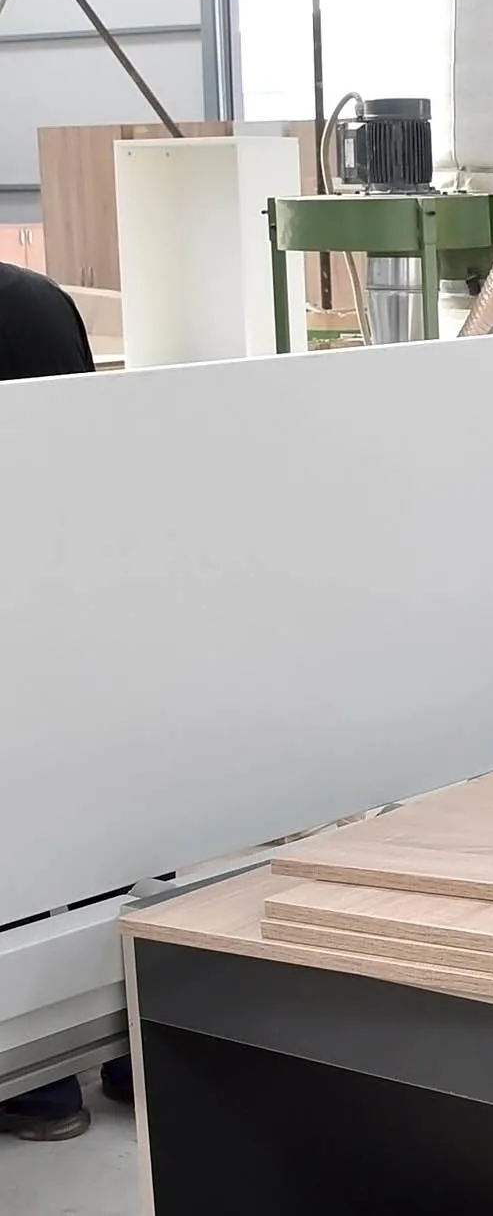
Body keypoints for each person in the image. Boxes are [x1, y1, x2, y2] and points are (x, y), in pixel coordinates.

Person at [0, 258, 134, 1141]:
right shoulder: (37, 297)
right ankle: (129, 1052)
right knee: (102, 842)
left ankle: (40, 1084)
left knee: (21, 850)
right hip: (76, 586)